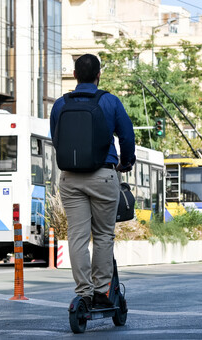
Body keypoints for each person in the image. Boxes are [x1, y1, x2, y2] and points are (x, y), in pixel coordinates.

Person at [50, 54, 136, 309]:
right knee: (102, 235)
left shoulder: (59, 105)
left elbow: (57, 139)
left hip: (70, 178)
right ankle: (101, 291)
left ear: (74, 75)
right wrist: (127, 162)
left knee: (76, 236)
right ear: (99, 75)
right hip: (103, 175)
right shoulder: (109, 101)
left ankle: (83, 293)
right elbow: (127, 136)